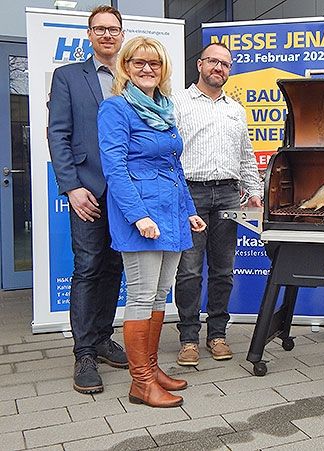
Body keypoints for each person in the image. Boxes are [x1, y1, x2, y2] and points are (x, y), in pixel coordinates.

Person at [98, 36, 206, 408]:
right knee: (142, 297)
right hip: (141, 214)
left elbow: (175, 166)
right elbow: (115, 168)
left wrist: (189, 209)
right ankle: (140, 382)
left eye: (154, 64)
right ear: (125, 68)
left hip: (172, 213)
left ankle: (152, 368)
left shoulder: (164, 108)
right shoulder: (115, 109)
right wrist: (139, 215)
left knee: (161, 295)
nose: (147, 69)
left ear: (163, 70)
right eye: (139, 63)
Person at [47, 5, 128, 395]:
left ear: (122, 34)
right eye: (100, 29)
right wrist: (72, 186)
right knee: (89, 266)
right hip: (88, 189)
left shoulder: (132, 78)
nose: (108, 35)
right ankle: (83, 353)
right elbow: (58, 134)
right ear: (90, 34)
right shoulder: (68, 77)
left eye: (114, 29)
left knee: (114, 267)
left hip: (125, 193)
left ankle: (102, 337)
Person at [171, 42, 262, 366]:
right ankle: (188, 339)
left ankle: (217, 334)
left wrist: (254, 191)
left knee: (223, 270)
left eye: (225, 64)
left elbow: (246, 156)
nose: (218, 68)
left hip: (227, 194)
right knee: (189, 271)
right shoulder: (177, 103)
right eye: (213, 61)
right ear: (199, 64)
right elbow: (168, 153)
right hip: (190, 194)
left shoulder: (235, 110)